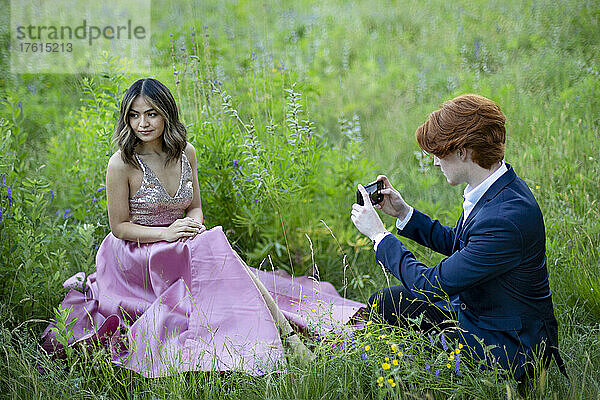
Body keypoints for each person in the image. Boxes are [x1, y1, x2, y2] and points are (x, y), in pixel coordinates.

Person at [42, 78, 365, 377]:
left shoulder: (186, 153)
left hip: (180, 239)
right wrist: (167, 234)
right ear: (126, 119)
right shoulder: (122, 163)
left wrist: (193, 225)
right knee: (221, 254)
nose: (142, 123)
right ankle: (289, 342)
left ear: (167, 114)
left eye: (151, 114)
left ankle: (285, 337)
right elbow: (119, 228)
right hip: (137, 253)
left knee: (213, 241)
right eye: (134, 115)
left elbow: (195, 207)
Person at [350, 94, 565, 380]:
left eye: (439, 153)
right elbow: (463, 245)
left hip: (510, 344)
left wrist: (379, 236)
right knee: (385, 303)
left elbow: (430, 286)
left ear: (462, 151)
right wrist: (404, 213)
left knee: (412, 365)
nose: (437, 163)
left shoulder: (506, 218)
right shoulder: (494, 186)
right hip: (480, 310)